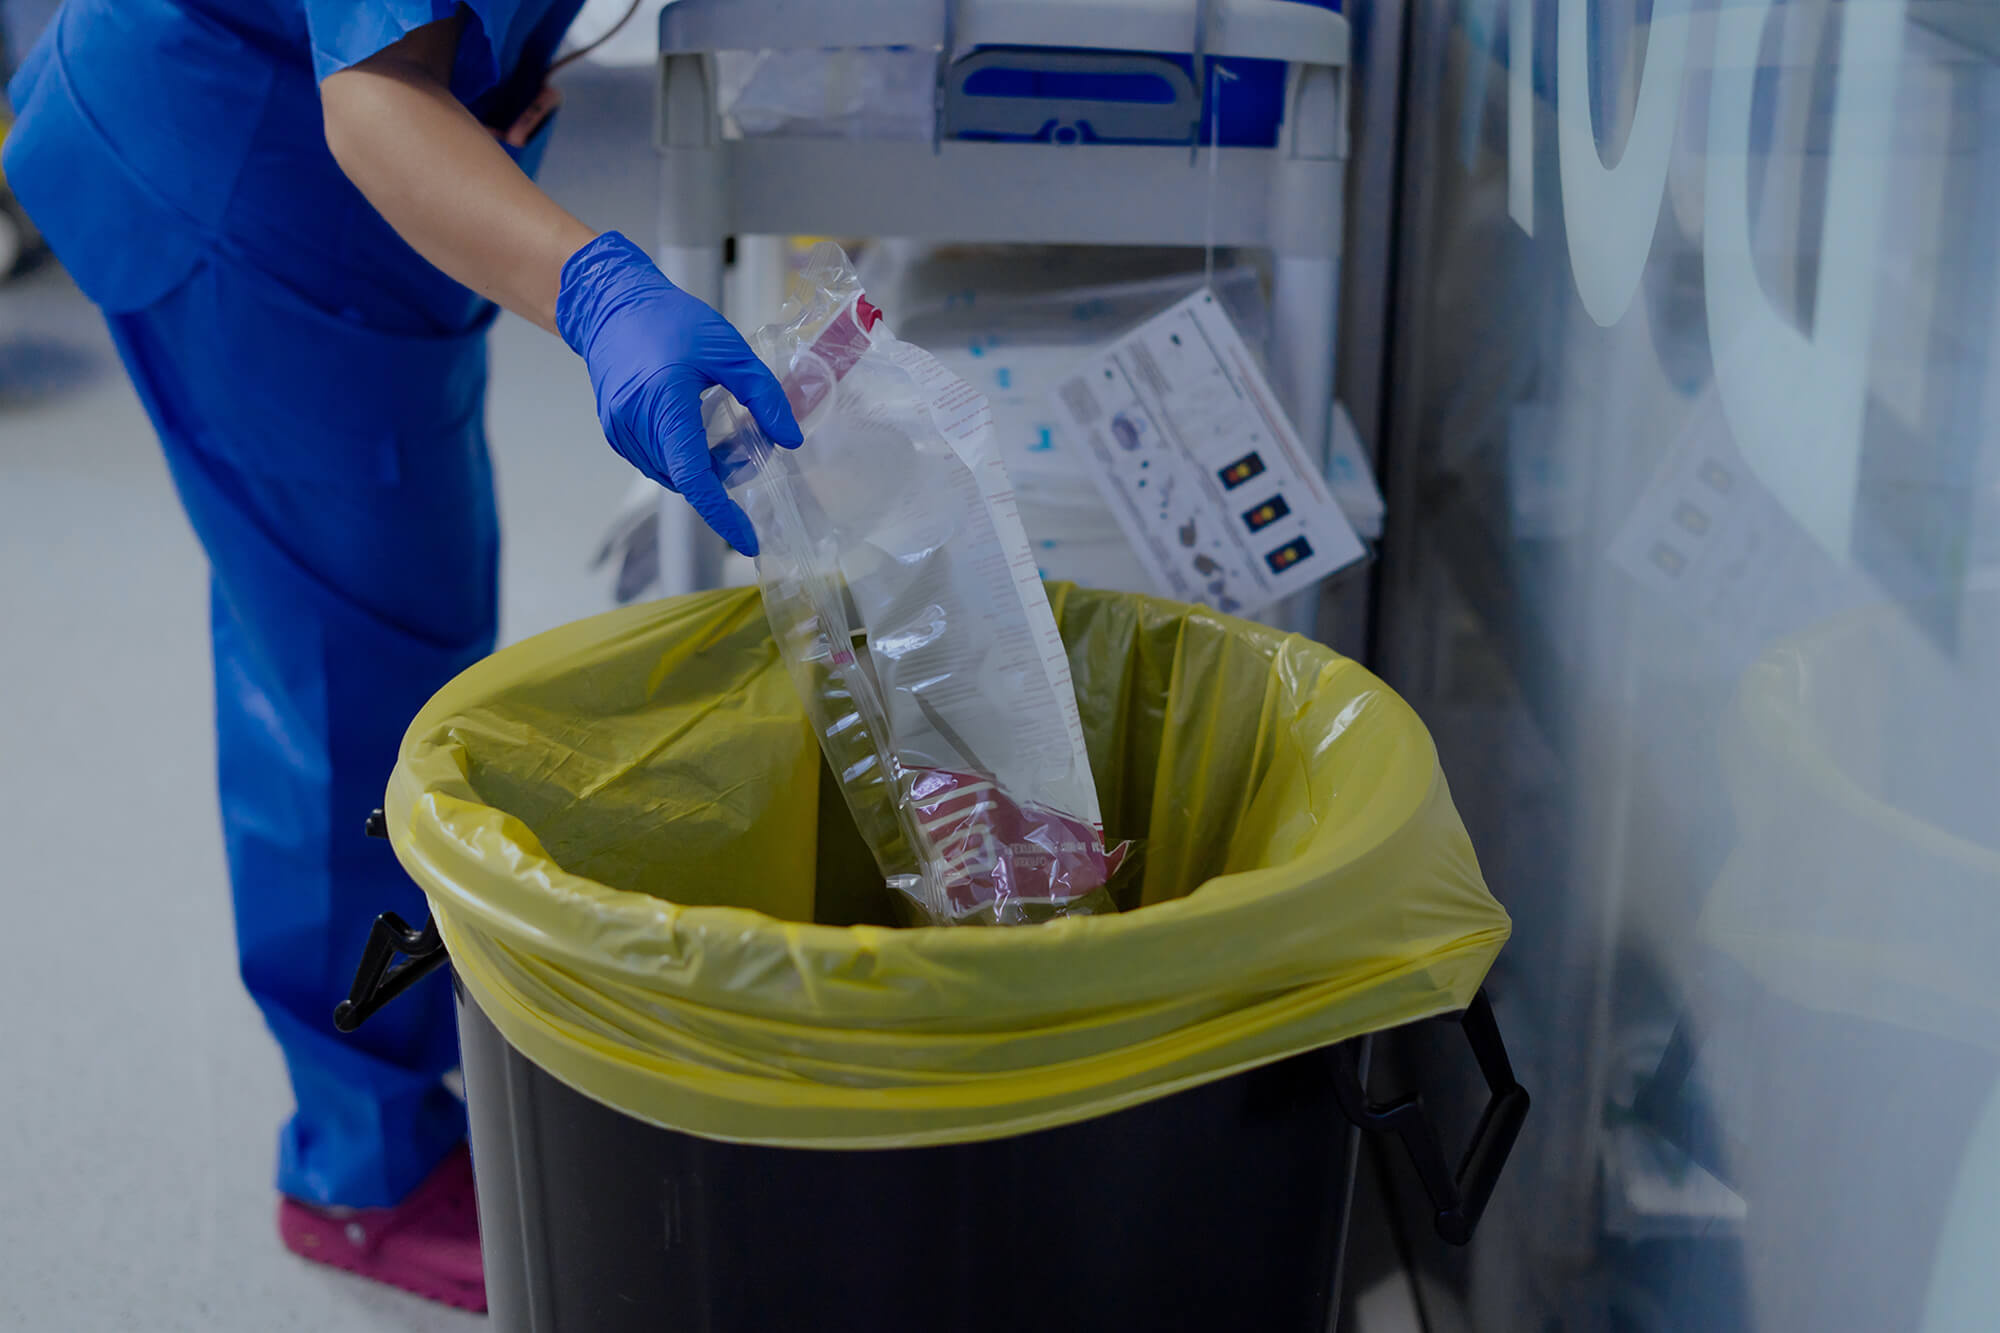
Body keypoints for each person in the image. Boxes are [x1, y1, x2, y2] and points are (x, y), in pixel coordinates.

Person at [3, 0, 802, 1313]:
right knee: (350, 678)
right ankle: (359, 1168)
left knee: (348, 611)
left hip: (335, 178)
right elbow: (373, 98)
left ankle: (398, 1072)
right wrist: (593, 290)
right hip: (246, 183)